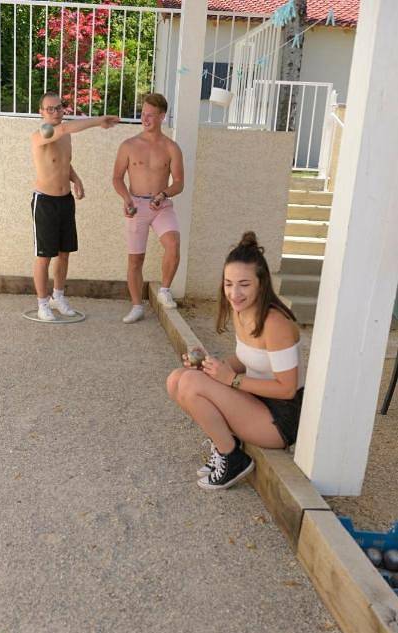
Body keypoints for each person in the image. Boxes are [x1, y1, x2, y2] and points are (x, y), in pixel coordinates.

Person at [166, 232, 305, 491]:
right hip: (255, 401)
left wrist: (231, 379)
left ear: (261, 284)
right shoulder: (242, 311)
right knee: (177, 379)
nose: (234, 293)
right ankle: (224, 446)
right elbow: (245, 359)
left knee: (192, 385)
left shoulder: (275, 323)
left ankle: (232, 457)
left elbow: (287, 388)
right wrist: (209, 366)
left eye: (244, 284)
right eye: (228, 284)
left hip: (280, 419)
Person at [31, 92, 119, 321]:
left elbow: (63, 162)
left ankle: (57, 297)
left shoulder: (64, 137)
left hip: (65, 200)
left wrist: (76, 179)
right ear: (41, 112)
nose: (55, 112)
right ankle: (42, 303)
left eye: (58, 107)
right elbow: (65, 129)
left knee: (64, 253)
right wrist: (98, 120)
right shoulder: (43, 133)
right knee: (44, 256)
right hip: (45, 202)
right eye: (49, 109)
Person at [112, 93, 184, 324]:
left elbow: (179, 182)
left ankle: (164, 290)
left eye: (151, 115)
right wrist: (126, 199)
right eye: (143, 114)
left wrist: (164, 194)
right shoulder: (129, 145)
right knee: (135, 260)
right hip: (136, 205)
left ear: (162, 116)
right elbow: (116, 178)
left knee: (173, 244)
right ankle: (136, 306)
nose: (145, 119)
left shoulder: (171, 147)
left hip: (161, 205)